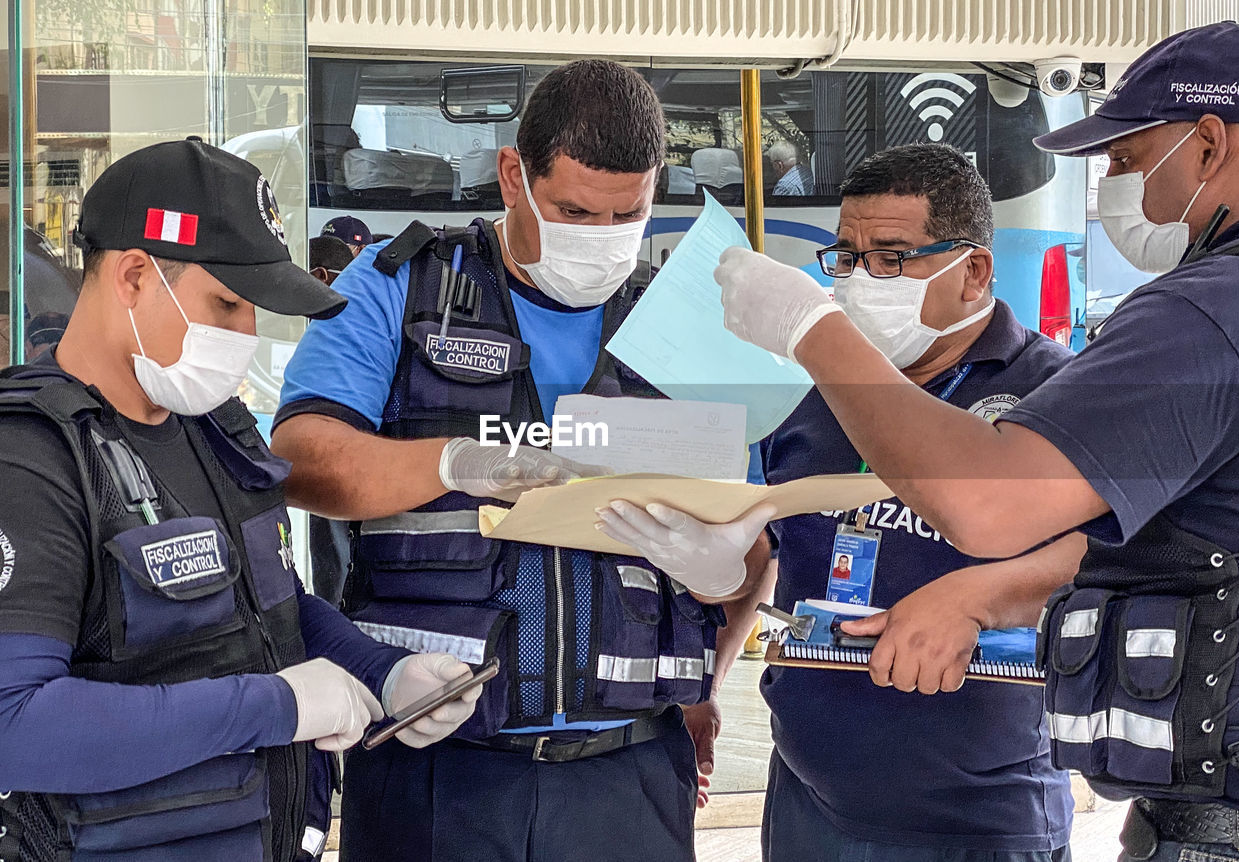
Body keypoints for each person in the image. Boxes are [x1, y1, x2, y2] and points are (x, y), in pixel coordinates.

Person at [714, 22, 1239, 862]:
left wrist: (812, 327)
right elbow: (1185, 542)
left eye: (1126, 161)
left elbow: (989, 505)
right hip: (818, 793)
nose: (1114, 190)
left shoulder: (1220, 307)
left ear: (1206, 144)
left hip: (1180, 815)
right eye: (848, 258)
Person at [269, 60, 773, 862]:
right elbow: (299, 460)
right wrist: (453, 462)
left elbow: (752, 539)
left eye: (626, 214)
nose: (600, 238)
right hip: (438, 764)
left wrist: (724, 590)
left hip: (631, 771)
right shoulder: (402, 286)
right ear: (513, 175)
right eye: (574, 209)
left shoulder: (677, 325)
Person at [0, 139, 478, 862]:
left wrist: (382, 672)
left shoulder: (215, 432)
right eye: (225, 303)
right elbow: (17, 727)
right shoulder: (31, 459)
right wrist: (275, 707)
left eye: (252, 310)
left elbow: (270, 604)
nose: (244, 337)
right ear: (133, 276)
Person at [598, 143, 1079, 862]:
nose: (863, 280)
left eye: (892, 257)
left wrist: (977, 602)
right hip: (809, 800)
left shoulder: (1054, 391)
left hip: (980, 811)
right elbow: (767, 550)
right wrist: (707, 682)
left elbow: (1101, 561)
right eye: (848, 258)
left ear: (973, 270)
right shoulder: (811, 387)